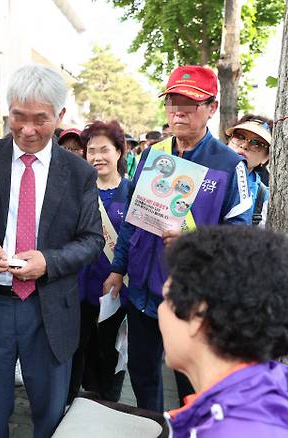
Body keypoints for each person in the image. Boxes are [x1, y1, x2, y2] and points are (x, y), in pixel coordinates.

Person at [0, 64, 105, 438]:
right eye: (18, 116)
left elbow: (91, 240)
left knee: (49, 415)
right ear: (8, 111)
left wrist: (48, 261)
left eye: (40, 119)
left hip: (49, 310)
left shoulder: (78, 173)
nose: (28, 130)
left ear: (60, 116)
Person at [103, 65, 252, 412]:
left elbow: (241, 238)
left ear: (212, 108)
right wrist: (117, 267)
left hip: (191, 299)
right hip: (140, 292)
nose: (178, 111)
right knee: (142, 373)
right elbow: (131, 220)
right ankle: (155, 427)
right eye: (172, 102)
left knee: (190, 384)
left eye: (190, 103)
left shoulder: (231, 165)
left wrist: (195, 243)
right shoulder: (153, 155)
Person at [160, 226, 288, 437]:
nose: (160, 310)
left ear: (198, 313)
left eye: (166, 298)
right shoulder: (286, 391)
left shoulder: (230, 431)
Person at [67, 120, 131, 404]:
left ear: (119, 151)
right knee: (76, 351)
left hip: (116, 291)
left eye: (104, 150)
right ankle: (71, 406)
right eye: (91, 150)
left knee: (111, 353)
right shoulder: (78, 189)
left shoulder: (132, 192)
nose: (96, 157)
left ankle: (108, 408)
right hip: (78, 287)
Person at [226, 115, 272, 227]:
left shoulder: (265, 197)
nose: (244, 145)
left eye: (257, 143)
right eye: (240, 136)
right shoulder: (204, 171)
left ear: (266, 157)